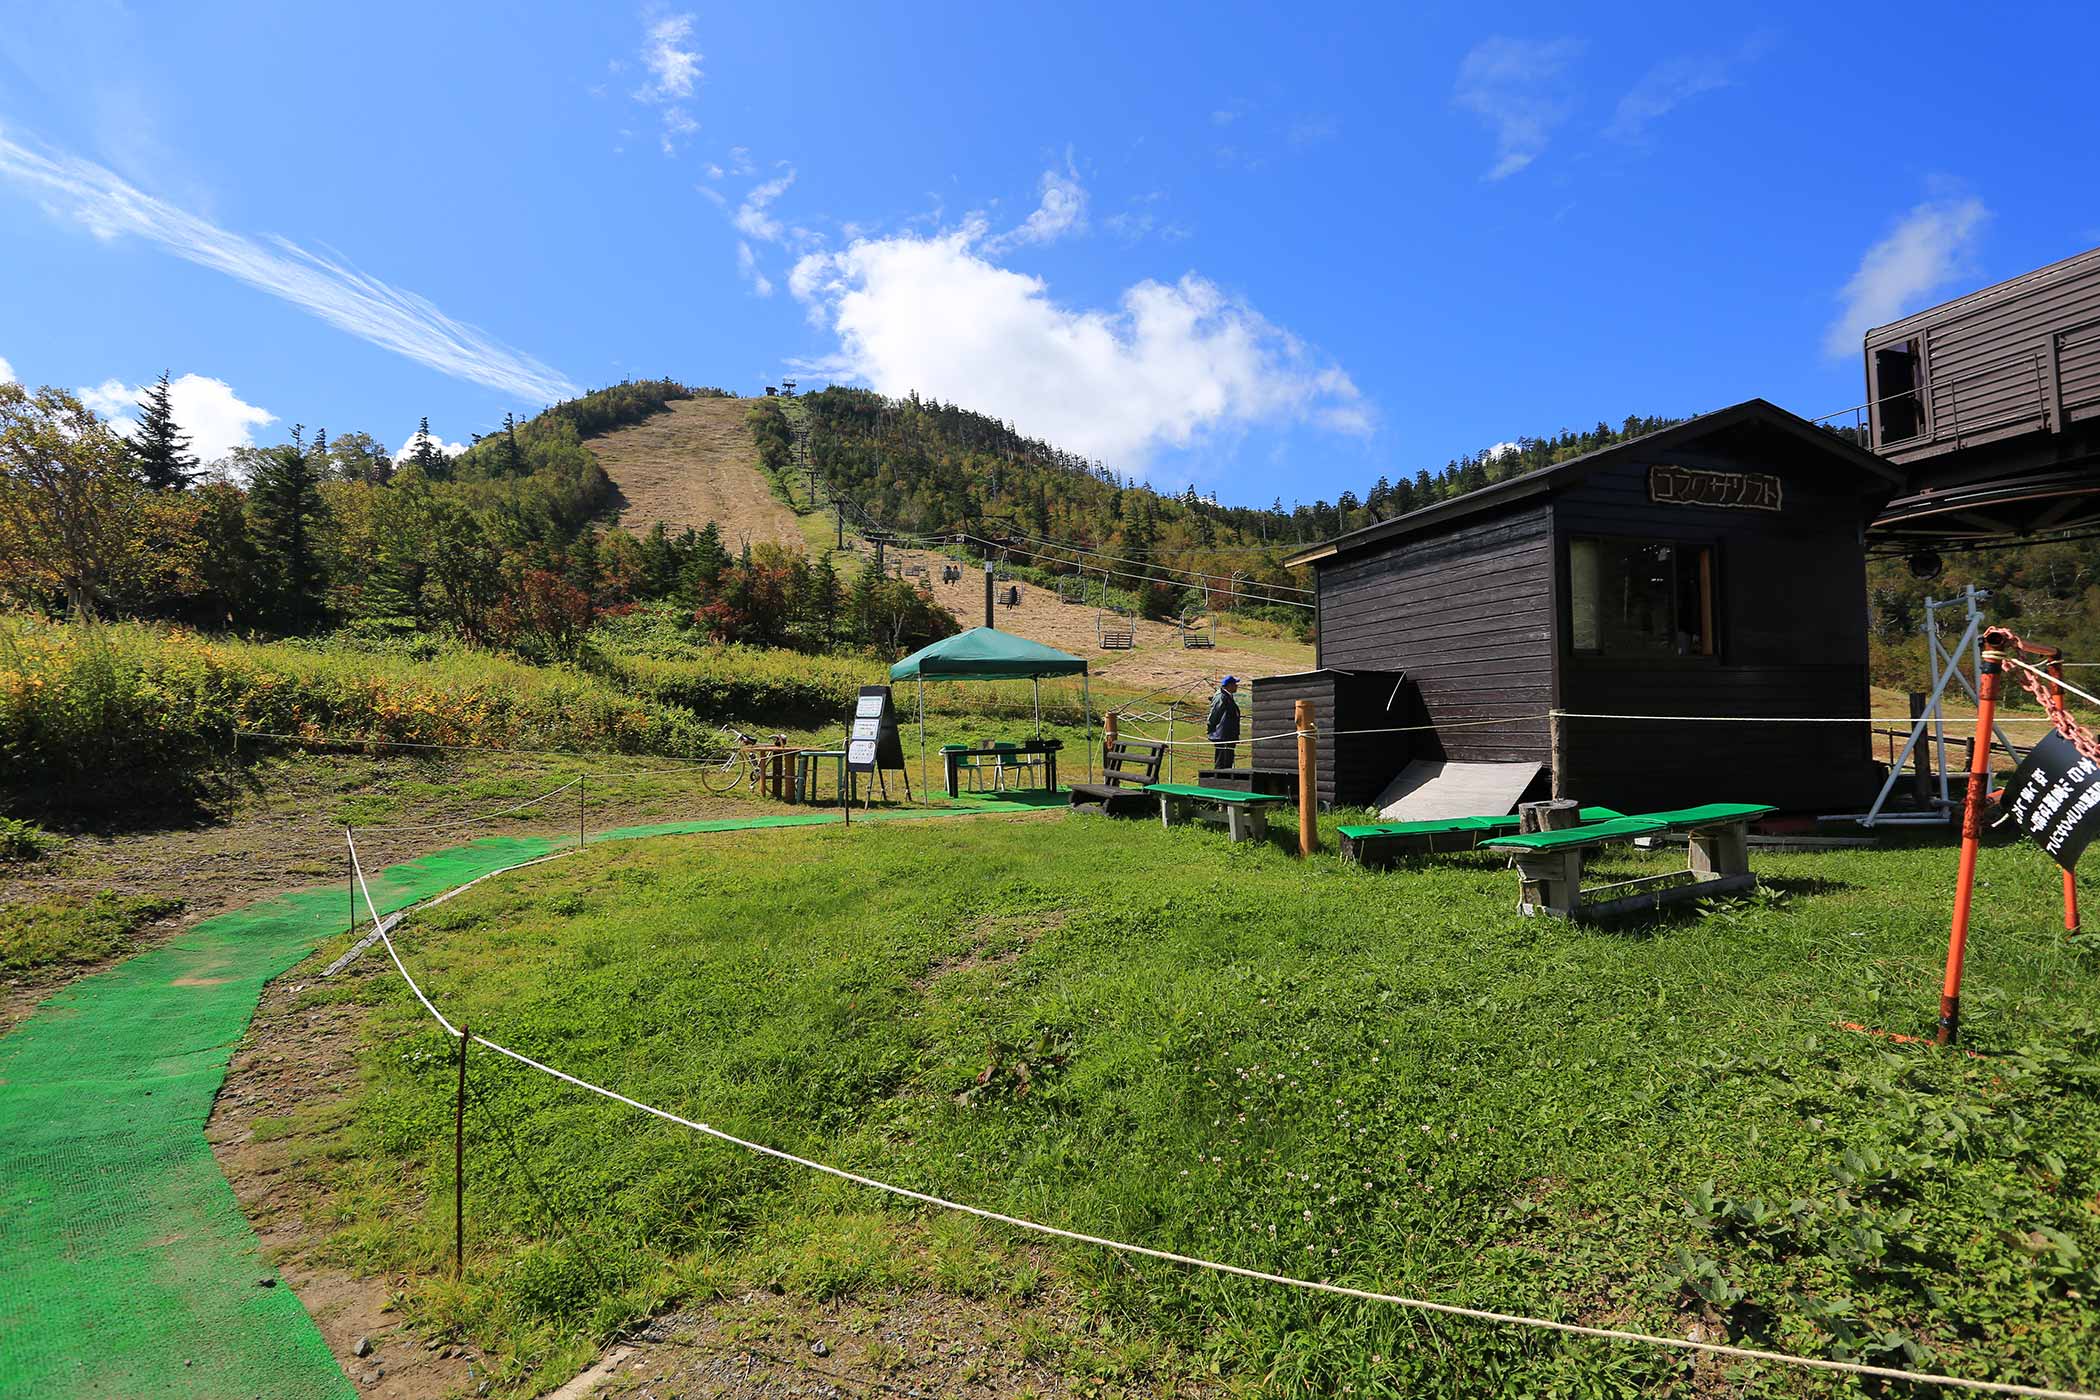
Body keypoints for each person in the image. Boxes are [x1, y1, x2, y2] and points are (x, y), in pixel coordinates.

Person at [1206, 675, 1242, 773]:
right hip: (1222, 735)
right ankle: (1219, 780)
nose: (1236, 686)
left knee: (1228, 761)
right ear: (1229, 685)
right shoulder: (1221, 696)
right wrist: (1211, 728)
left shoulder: (1228, 696)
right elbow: (1214, 714)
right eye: (1235, 684)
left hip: (1228, 735)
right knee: (1222, 761)